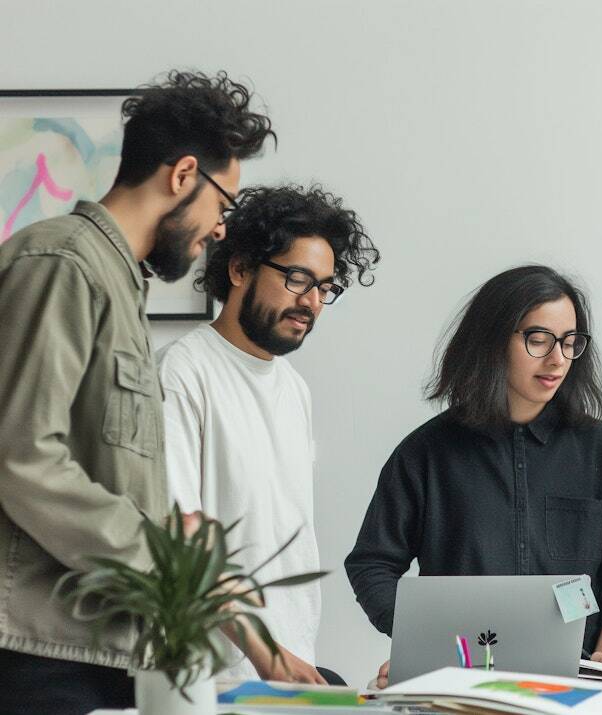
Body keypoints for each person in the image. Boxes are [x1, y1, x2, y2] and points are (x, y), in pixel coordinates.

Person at [0, 70, 274, 714]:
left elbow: (91, 463)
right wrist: (163, 554)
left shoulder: (120, 284)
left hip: (100, 649)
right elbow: (23, 457)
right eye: (224, 206)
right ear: (183, 175)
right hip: (39, 656)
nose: (219, 230)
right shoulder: (61, 264)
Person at [345, 265, 602, 687]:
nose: (557, 359)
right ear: (492, 339)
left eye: (569, 342)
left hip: (579, 681)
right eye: (538, 339)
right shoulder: (426, 454)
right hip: (458, 681)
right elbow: (372, 562)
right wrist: (421, 642)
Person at [158, 185, 379, 684]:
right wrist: (267, 654)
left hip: (288, 671)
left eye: (326, 287)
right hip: (207, 680)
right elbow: (178, 539)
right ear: (240, 269)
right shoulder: (182, 372)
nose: (313, 303)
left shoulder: (293, 389)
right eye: (299, 280)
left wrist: (289, 656)